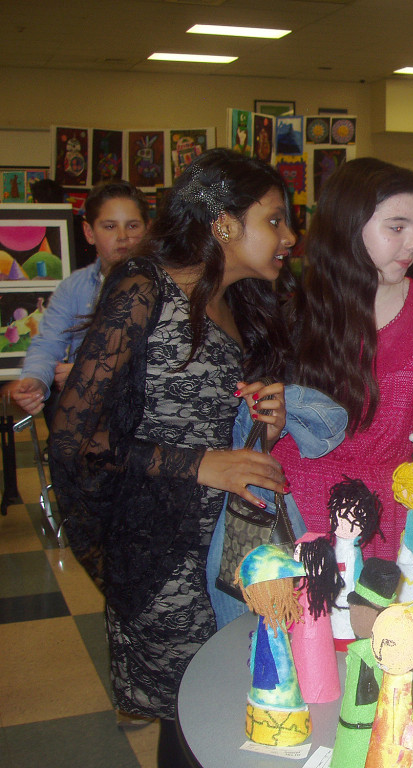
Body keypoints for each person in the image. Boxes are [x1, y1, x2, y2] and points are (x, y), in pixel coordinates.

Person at [49, 148, 293, 768]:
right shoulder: (142, 289)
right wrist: (201, 463)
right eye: (275, 220)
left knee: (234, 712)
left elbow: (214, 428)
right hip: (162, 555)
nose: (289, 236)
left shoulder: (238, 304)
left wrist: (262, 430)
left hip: (226, 551)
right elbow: (76, 434)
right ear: (223, 225)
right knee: (193, 720)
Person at [278, 157, 413, 562]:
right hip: (304, 512)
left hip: (393, 507)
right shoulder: (297, 314)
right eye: (397, 227)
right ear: (350, 225)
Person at [9, 181, 148, 427]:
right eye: (110, 226)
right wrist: (35, 380)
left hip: (145, 420)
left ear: (148, 229)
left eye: (133, 226)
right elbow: (48, 344)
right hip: (85, 421)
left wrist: (91, 373)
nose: (123, 237)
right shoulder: (75, 287)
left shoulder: (168, 289)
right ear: (89, 233)